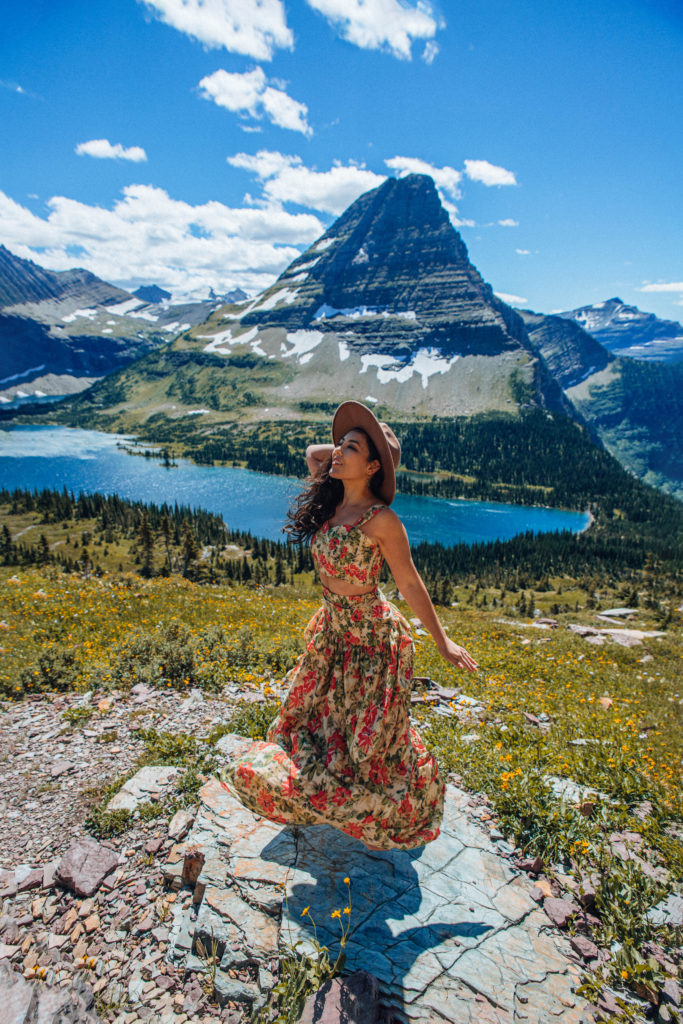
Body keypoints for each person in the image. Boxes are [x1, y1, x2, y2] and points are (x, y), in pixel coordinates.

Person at [219, 400, 478, 851]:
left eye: (351, 448)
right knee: (307, 726)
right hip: (333, 635)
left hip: (375, 644)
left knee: (367, 749)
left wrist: (443, 642)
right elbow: (312, 453)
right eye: (339, 444)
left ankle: (393, 809)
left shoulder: (382, 520)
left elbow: (411, 584)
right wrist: (353, 441)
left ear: (374, 465)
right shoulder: (335, 500)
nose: (336, 452)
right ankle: (335, 809)